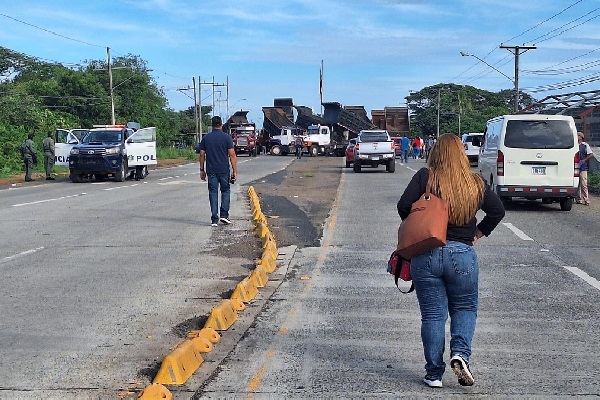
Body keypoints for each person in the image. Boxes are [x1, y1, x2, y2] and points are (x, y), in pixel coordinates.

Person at [397, 133, 505, 389]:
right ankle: (461, 354)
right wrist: (478, 232)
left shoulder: (426, 177)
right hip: (463, 254)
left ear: (436, 152)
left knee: (433, 316)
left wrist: (420, 225)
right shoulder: (475, 182)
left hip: (427, 253)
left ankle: (433, 373)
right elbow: (497, 211)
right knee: (465, 308)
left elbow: (403, 205)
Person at [198, 116, 238, 227]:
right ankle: (224, 215)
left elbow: (202, 154)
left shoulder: (206, 138)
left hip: (211, 171)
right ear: (221, 124)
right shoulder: (227, 138)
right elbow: (232, 155)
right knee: (225, 191)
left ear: (212, 125)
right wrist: (234, 171)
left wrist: (202, 170)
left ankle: (214, 219)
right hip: (224, 170)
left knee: (213, 192)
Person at [576, 132, 593, 206]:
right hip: (576, 166)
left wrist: (584, 160)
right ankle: (578, 199)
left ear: (581, 137)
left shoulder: (585, 145)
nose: (577, 137)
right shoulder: (574, 145)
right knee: (577, 184)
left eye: (578, 135)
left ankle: (586, 199)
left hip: (583, 167)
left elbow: (590, 154)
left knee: (584, 184)